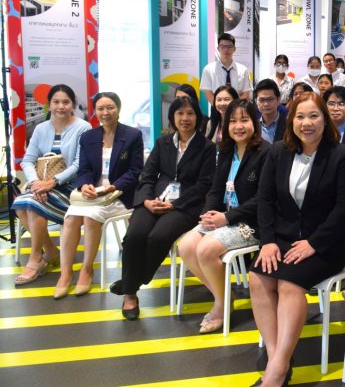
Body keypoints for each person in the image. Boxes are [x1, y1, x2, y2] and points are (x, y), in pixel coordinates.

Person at [249, 92, 345, 387]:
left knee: (288, 283)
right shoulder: (277, 152)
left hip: (328, 242)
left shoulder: (340, 154)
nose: (306, 123)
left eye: (313, 116)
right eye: (300, 116)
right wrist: (268, 241)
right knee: (258, 279)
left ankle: (274, 372)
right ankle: (279, 361)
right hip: (283, 238)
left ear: (325, 119)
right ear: (291, 120)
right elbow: (266, 201)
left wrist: (314, 243)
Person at [110, 97, 216, 320]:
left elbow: (204, 185)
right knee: (134, 236)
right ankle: (131, 291)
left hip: (185, 205)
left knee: (158, 237)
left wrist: (175, 204)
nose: (184, 118)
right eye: (179, 113)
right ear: (173, 118)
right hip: (154, 199)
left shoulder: (207, 147)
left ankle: (131, 287)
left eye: (190, 113)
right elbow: (147, 176)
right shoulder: (162, 143)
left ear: (198, 117)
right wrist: (147, 200)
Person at [177, 100, 269, 333]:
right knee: (186, 245)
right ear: (226, 124)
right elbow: (216, 190)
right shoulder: (226, 151)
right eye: (233, 121)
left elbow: (263, 199)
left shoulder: (266, 152)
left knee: (205, 250)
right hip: (223, 218)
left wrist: (226, 218)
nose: (239, 126)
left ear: (254, 123)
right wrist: (209, 213)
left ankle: (220, 305)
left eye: (244, 120)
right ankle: (224, 296)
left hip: (251, 224)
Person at [54, 92, 143, 298]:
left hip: (120, 195)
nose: (105, 112)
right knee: (70, 219)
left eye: (110, 107)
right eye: (101, 108)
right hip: (93, 194)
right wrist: (85, 185)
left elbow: (135, 172)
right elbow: (84, 169)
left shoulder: (132, 136)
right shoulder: (88, 137)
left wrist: (112, 187)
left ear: (118, 109)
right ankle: (65, 273)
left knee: (90, 218)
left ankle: (86, 270)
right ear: (95, 111)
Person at [13, 85, 92, 286]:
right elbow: (28, 160)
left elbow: (79, 163)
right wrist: (35, 182)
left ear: (72, 104)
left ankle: (35, 259)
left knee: (31, 205)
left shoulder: (83, 127)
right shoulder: (41, 128)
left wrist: (53, 182)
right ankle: (49, 251)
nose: (61, 106)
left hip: (70, 188)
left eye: (66, 102)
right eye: (56, 102)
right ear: (49, 104)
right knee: (22, 205)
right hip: (40, 184)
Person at [200, 33, 252, 104]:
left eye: (229, 46)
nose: (226, 49)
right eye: (222, 46)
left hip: (237, 109)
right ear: (218, 48)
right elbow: (208, 93)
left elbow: (246, 93)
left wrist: (234, 106)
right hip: (216, 110)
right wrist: (219, 106)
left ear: (234, 49)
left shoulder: (243, 70)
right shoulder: (208, 69)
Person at [255, 79, 287, 145]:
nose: (266, 104)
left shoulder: (288, 125)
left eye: (270, 99)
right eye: (262, 100)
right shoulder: (253, 125)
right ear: (256, 101)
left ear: (278, 100)